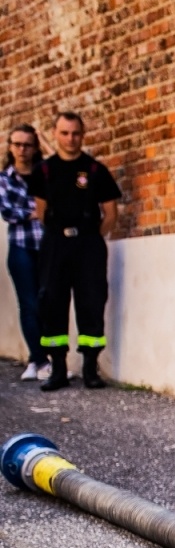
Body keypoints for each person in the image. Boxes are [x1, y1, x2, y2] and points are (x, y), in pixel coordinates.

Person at [29, 112, 122, 391]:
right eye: (65, 133)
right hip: (56, 243)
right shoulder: (44, 171)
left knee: (91, 302)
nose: (71, 139)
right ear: (55, 133)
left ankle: (90, 369)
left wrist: (90, 237)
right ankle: (58, 369)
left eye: (76, 133)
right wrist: (62, 235)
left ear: (83, 135)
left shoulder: (94, 170)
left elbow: (110, 213)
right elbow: (42, 211)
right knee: (52, 302)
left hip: (88, 244)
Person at [2, 125, 48, 380]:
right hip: (21, 247)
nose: (22, 150)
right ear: (10, 147)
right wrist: (36, 212)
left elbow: (55, 201)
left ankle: (36, 359)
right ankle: (40, 361)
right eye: (17, 144)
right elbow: (8, 213)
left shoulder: (45, 174)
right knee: (29, 304)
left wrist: (37, 212)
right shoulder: (4, 179)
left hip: (46, 246)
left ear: (35, 147)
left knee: (47, 301)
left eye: (27, 145)